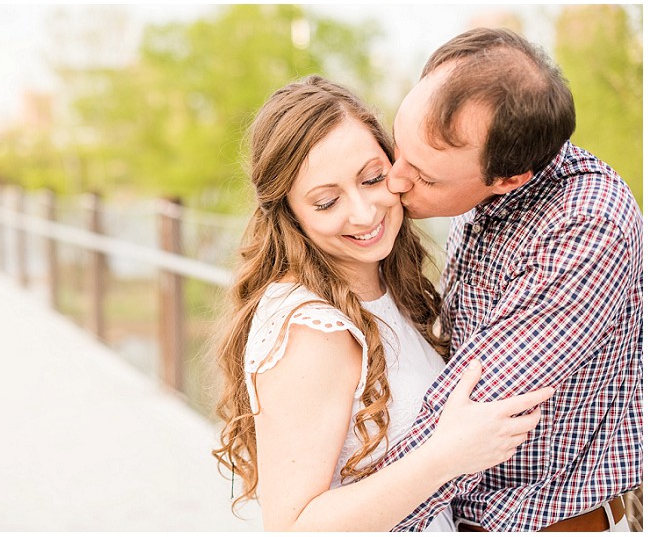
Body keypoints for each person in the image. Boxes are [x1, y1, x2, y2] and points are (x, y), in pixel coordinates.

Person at [211, 75, 555, 532]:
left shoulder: (384, 287)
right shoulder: (312, 328)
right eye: (328, 201)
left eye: (372, 178)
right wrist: (445, 456)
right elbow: (295, 526)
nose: (364, 212)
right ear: (291, 213)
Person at [380, 28, 643, 532]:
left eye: (426, 178)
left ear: (511, 178)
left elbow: (471, 405)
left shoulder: (587, 224)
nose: (395, 180)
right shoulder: (479, 184)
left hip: (541, 523)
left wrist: (346, 519)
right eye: (399, 146)